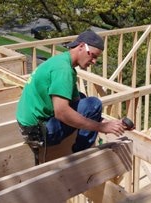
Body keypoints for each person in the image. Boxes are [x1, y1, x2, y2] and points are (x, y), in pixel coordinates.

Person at [16, 30, 127, 160]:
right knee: (94, 104)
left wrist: (106, 122)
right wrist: (101, 127)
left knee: (83, 98)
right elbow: (61, 112)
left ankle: (83, 146)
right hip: (40, 133)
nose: (94, 61)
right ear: (81, 46)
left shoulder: (61, 61)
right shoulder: (63, 71)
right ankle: (81, 157)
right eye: (93, 55)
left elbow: (76, 101)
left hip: (31, 125)